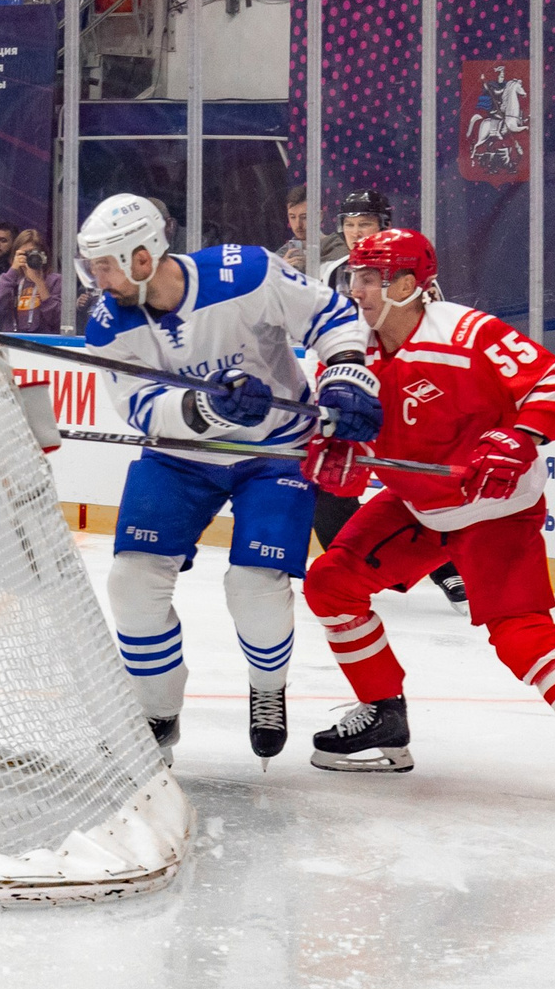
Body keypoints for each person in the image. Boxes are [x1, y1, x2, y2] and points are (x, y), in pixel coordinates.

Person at [300, 228, 555, 814]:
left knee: (519, 633)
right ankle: (384, 717)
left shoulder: (467, 333)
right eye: (355, 278)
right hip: (419, 504)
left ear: (407, 286)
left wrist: (521, 435)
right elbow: (335, 437)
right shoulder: (350, 349)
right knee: (331, 582)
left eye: (370, 279)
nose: (358, 291)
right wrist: (331, 450)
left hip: (495, 510)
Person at [73, 192, 379, 762]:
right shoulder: (108, 323)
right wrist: (206, 411)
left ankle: (267, 688)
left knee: (255, 586)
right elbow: (139, 405)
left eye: (107, 264)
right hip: (180, 455)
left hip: (277, 451)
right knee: (132, 582)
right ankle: (156, 714)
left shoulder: (247, 271)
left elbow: (331, 318)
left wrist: (344, 375)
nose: (98, 278)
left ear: (144, 257)